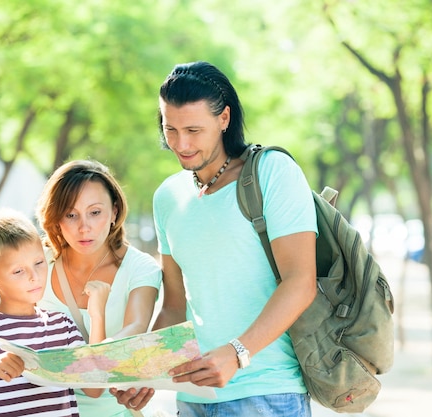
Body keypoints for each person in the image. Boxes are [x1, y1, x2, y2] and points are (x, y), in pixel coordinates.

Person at [112, 61, 318, 416]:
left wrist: (237, 353)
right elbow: (176, 306)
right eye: (170, 129)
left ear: (224, 119)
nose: (181, 144)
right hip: (193, 398)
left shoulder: (272, 172)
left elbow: (301, 282)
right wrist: (147, 369)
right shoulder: (168, 197)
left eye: (194, 129)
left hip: (266, 394)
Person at [0, 160, 162, 417]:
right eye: (71, 214)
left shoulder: (140, 267)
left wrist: (110, 357)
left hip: (112, 411)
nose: (84, 227)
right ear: (56, 219)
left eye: (95, 212)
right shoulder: (39, 262)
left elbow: (135, 329)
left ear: (114, 211)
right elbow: (11, 308)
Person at [0, 208, 109, 417]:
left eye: (39, 263)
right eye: (18, 271)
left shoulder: (61, 326)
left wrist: (97, 316)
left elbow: (95, 388)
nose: (34, 276)